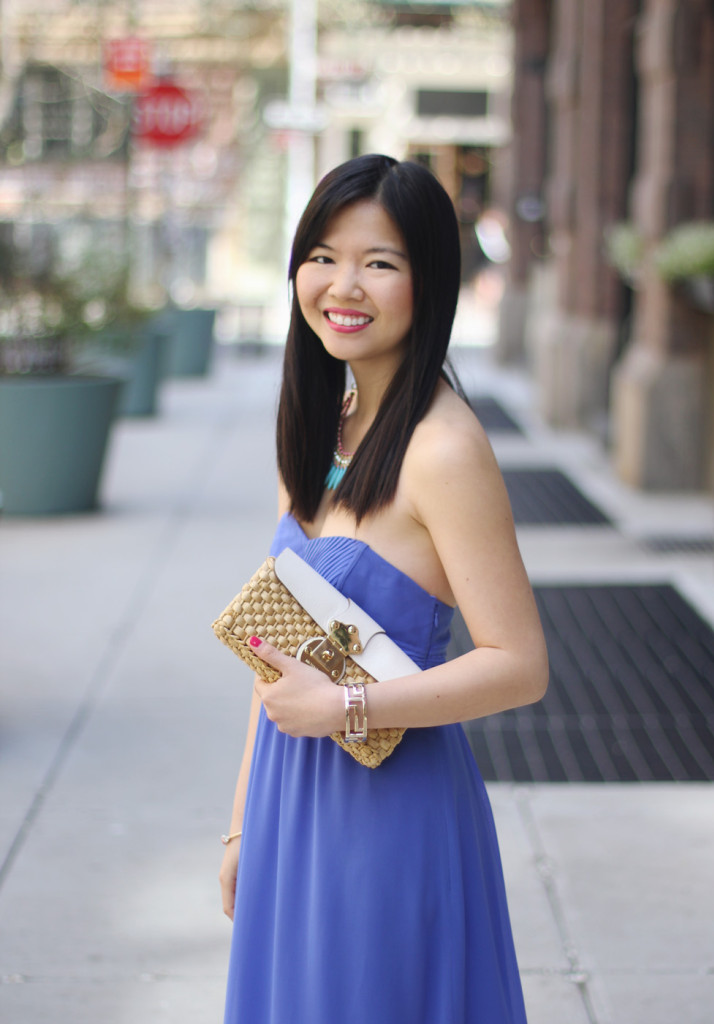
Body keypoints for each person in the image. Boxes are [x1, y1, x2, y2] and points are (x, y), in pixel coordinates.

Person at [219, 153, 548, 1024]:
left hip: (388, 819)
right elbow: (278, 653)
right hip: (290, 806)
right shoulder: (324, 426)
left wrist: (345, 711)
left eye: (379, 262)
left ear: (428, 281)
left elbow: (520, 665)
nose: (342, 284)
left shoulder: (442, 449)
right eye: (322, 255)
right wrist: (244, 823)